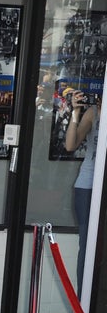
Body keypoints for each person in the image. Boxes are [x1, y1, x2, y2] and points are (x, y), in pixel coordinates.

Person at [64, 89, 101, 297]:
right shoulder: (93, 113)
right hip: (87, 186)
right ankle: (83, 304)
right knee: (86, 246)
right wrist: (75, 112)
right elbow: (71, 145)